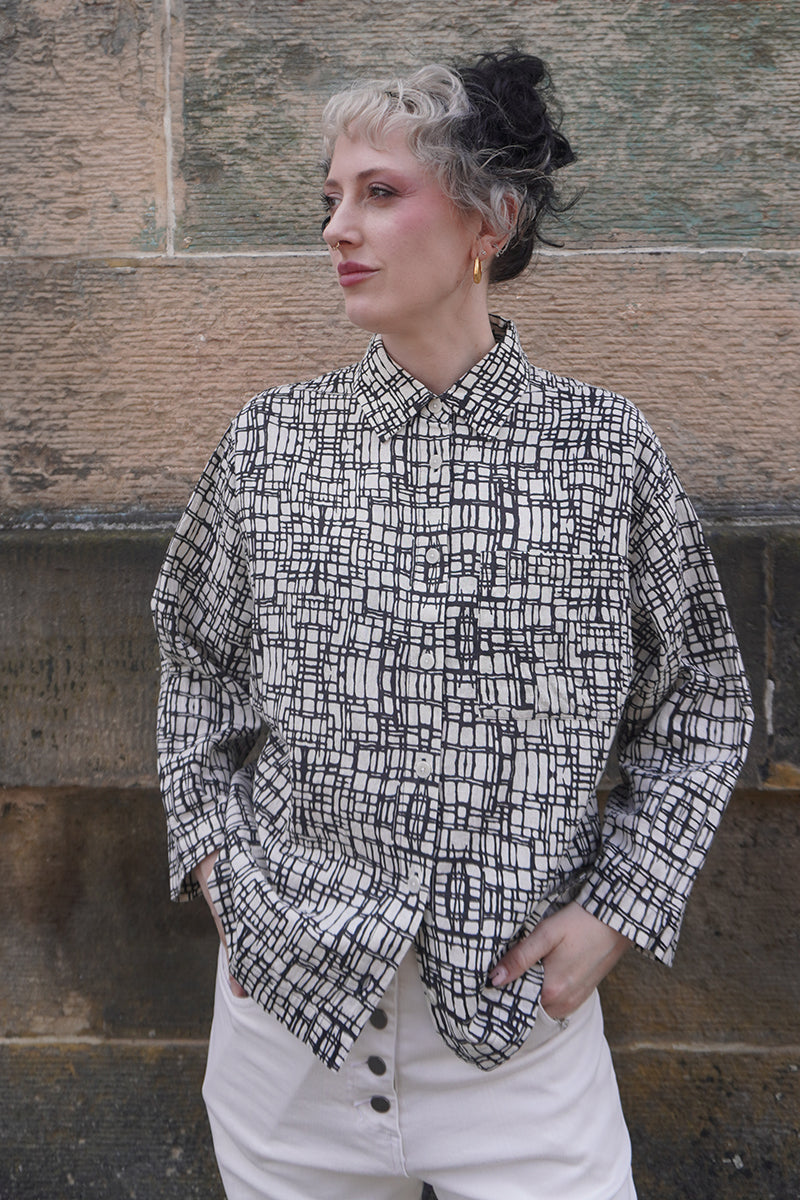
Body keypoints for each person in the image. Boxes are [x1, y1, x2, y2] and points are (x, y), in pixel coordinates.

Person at [152, 51, 753, 1200]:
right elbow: (196, 666)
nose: (337, 227)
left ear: (490, 220)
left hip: (518, 1049)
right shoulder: (271, 444)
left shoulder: (600, 453)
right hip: (286, 1046)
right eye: (330, 196)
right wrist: (221, 872)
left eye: (379, 192)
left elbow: (701, 701)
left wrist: (617, 909)